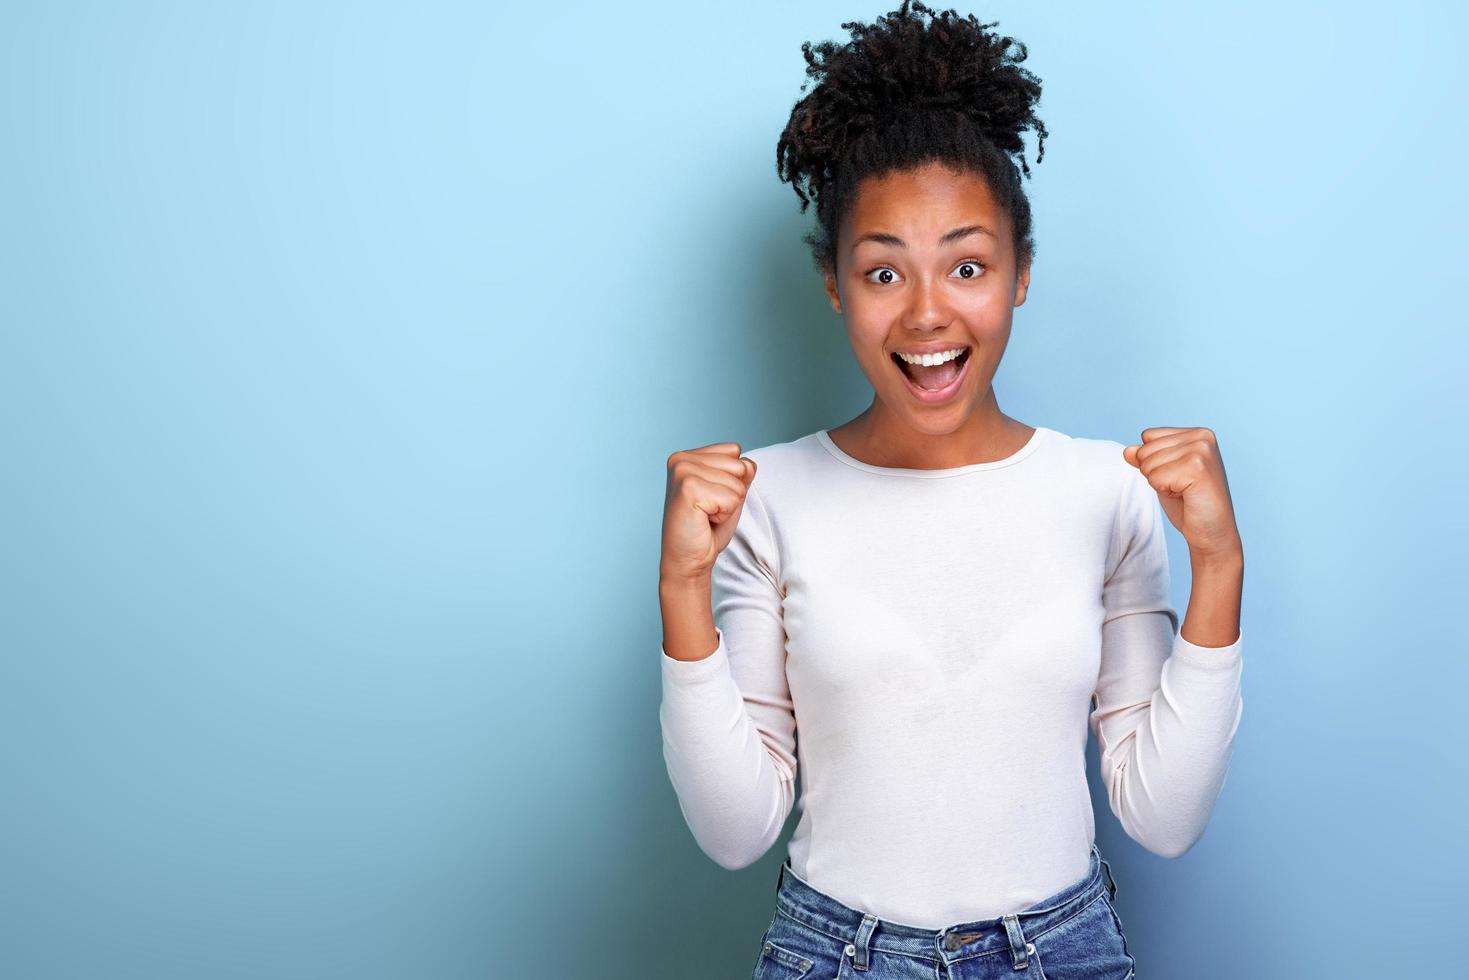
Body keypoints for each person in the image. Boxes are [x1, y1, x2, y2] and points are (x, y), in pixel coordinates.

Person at [658, 3, 1244, 977]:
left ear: (1019, 272)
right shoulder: (764, 500)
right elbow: (734, 829)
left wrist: (1217, 563)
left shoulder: (1105, 490)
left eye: (966, 264)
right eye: (882, 270)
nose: (927, 313)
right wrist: (682, 590)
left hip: (1063, 951)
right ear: (834, 286)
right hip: (831, 950)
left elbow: (1161, 814)